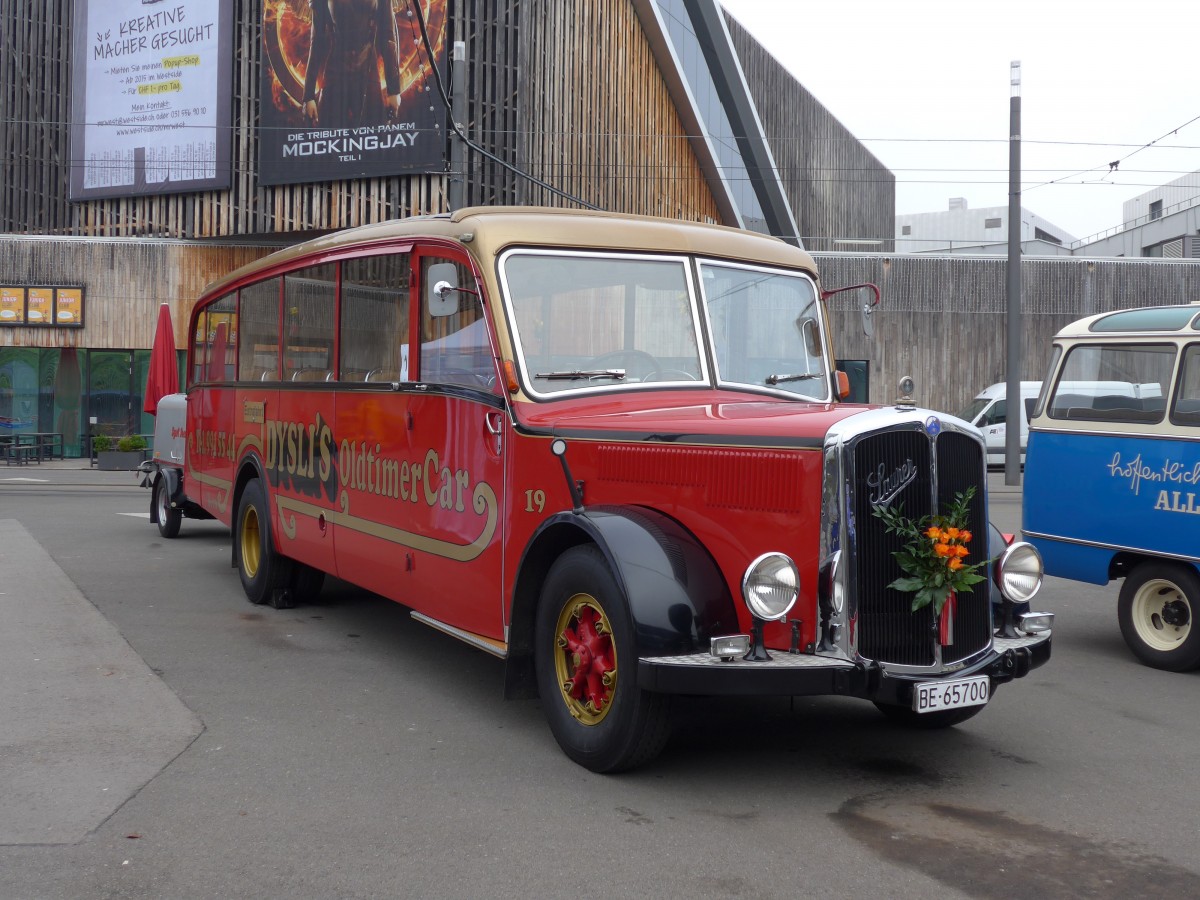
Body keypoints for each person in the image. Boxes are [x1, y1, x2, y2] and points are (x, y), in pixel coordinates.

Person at [302, 0, 403, 129]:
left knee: (374, 137)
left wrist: (393, 90)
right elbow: (317, 42)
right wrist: (308, 96)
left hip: (368, 73)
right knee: (330, 139)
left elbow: (388, 37)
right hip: (335, 75)